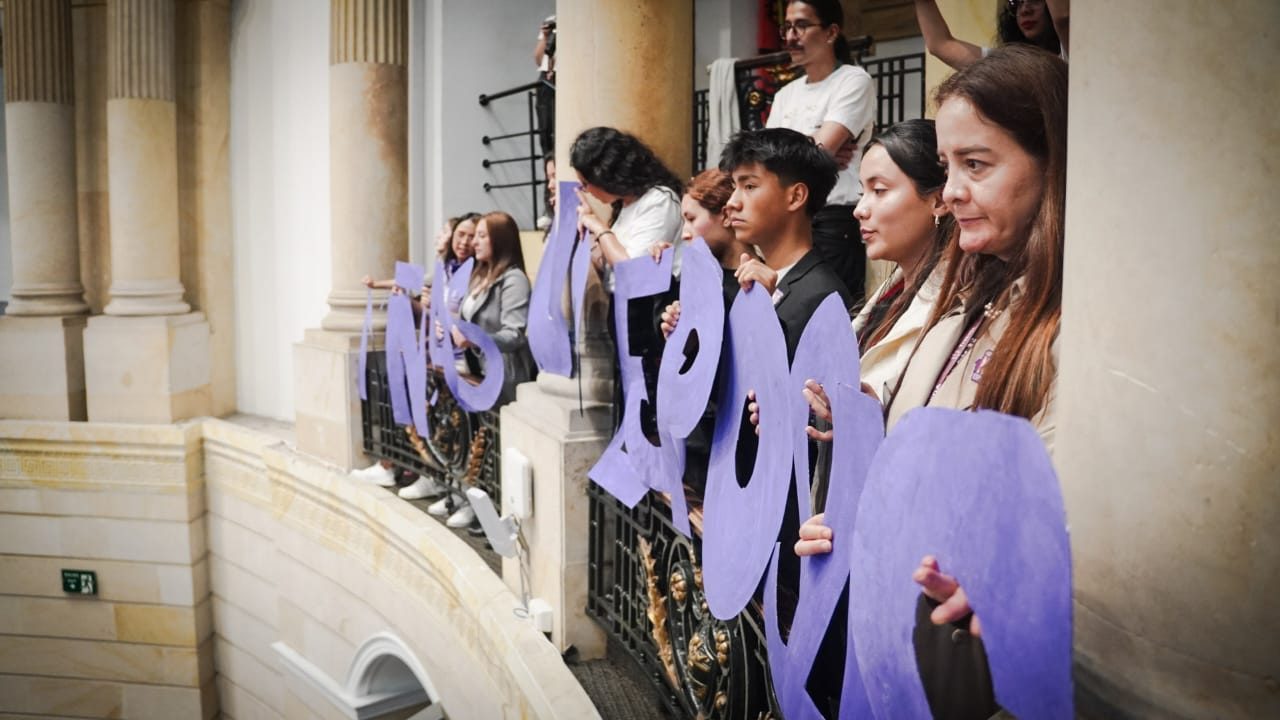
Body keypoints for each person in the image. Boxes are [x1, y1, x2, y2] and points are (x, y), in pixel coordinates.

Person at [795, 45, 1069, 719]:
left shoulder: (1076, 325)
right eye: (948, 167)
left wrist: (999, 582)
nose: (949, 192)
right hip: (899, 634)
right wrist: (850, 507)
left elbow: (1063, 522)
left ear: (1055, 163)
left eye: (976, 165)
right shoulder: (971, 288)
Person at [429, 211, 536, 529]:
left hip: (503, 375)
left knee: (493, 444)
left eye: (482, 236)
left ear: (500, 240)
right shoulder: (478, 273)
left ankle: (494, 515)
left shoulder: (514, 278)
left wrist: (472, 337)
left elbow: (515, 333)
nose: (474, 241)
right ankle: (472, 501)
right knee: (475, 439)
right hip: (477, 370)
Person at [766, 0, 877, 301]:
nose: (791, 37)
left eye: (801, 25)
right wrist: (812, 152)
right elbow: (766, 162)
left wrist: (816, 152)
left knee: (830, 313)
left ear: (830, 32)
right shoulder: (785, 94)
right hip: (788, 219)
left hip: (832, 220)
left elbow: (823, 148)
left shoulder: (853, 80)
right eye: (787, 27)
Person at [570, 126, 684, 290]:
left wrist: (597, 225)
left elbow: (632, 271)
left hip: (650, 309)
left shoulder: (659, 200)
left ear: (604, 175)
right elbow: (611, 270)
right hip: (623, 305)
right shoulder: (624, 203)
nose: (585, 190)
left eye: (586, 183)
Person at [913, 0, 1070, 70]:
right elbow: (940, 44)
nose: (1025, 10)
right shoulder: (1013, 65)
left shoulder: (1073, 50)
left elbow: (1062, 18)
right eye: (1017, 2)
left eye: (1035, 0)